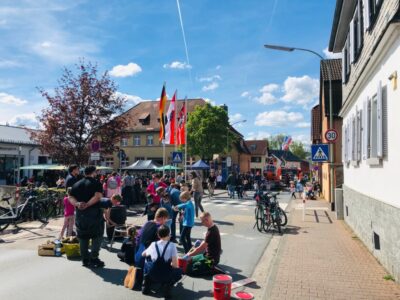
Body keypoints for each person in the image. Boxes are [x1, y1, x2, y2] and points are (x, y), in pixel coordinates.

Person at [69, 166, 105, 268]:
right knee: (97, 236)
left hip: (80, 214)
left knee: (82, 236)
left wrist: (78, 204)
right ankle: (94, 258)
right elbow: (98, 196)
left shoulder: (76, 184)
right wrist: (88, 204)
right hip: (94, 213)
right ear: (93, 173)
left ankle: (85, 259)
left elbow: (70, 197)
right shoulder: (96, 183)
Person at [142, 225, 182, 298]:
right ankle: (168, 287)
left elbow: (143, 254)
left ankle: (146, 284)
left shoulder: (153, 244)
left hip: (152, 273)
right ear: (169, 234)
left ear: (158, 235)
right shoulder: (172, 246)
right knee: (179, 271)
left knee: (147, 261)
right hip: (166, 275)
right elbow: (175, 265)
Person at [185, 212, 221, 276]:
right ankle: (208, 267)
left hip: (211, 260)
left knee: (190, 270)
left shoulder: (211, 232)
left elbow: (201, 248)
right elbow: (204, 242)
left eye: (202, 221)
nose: (201, 223)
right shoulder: (213, 227)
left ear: (207, 220)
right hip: (206, 255)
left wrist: (188, 254)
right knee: (190, 261)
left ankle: (211, 269)